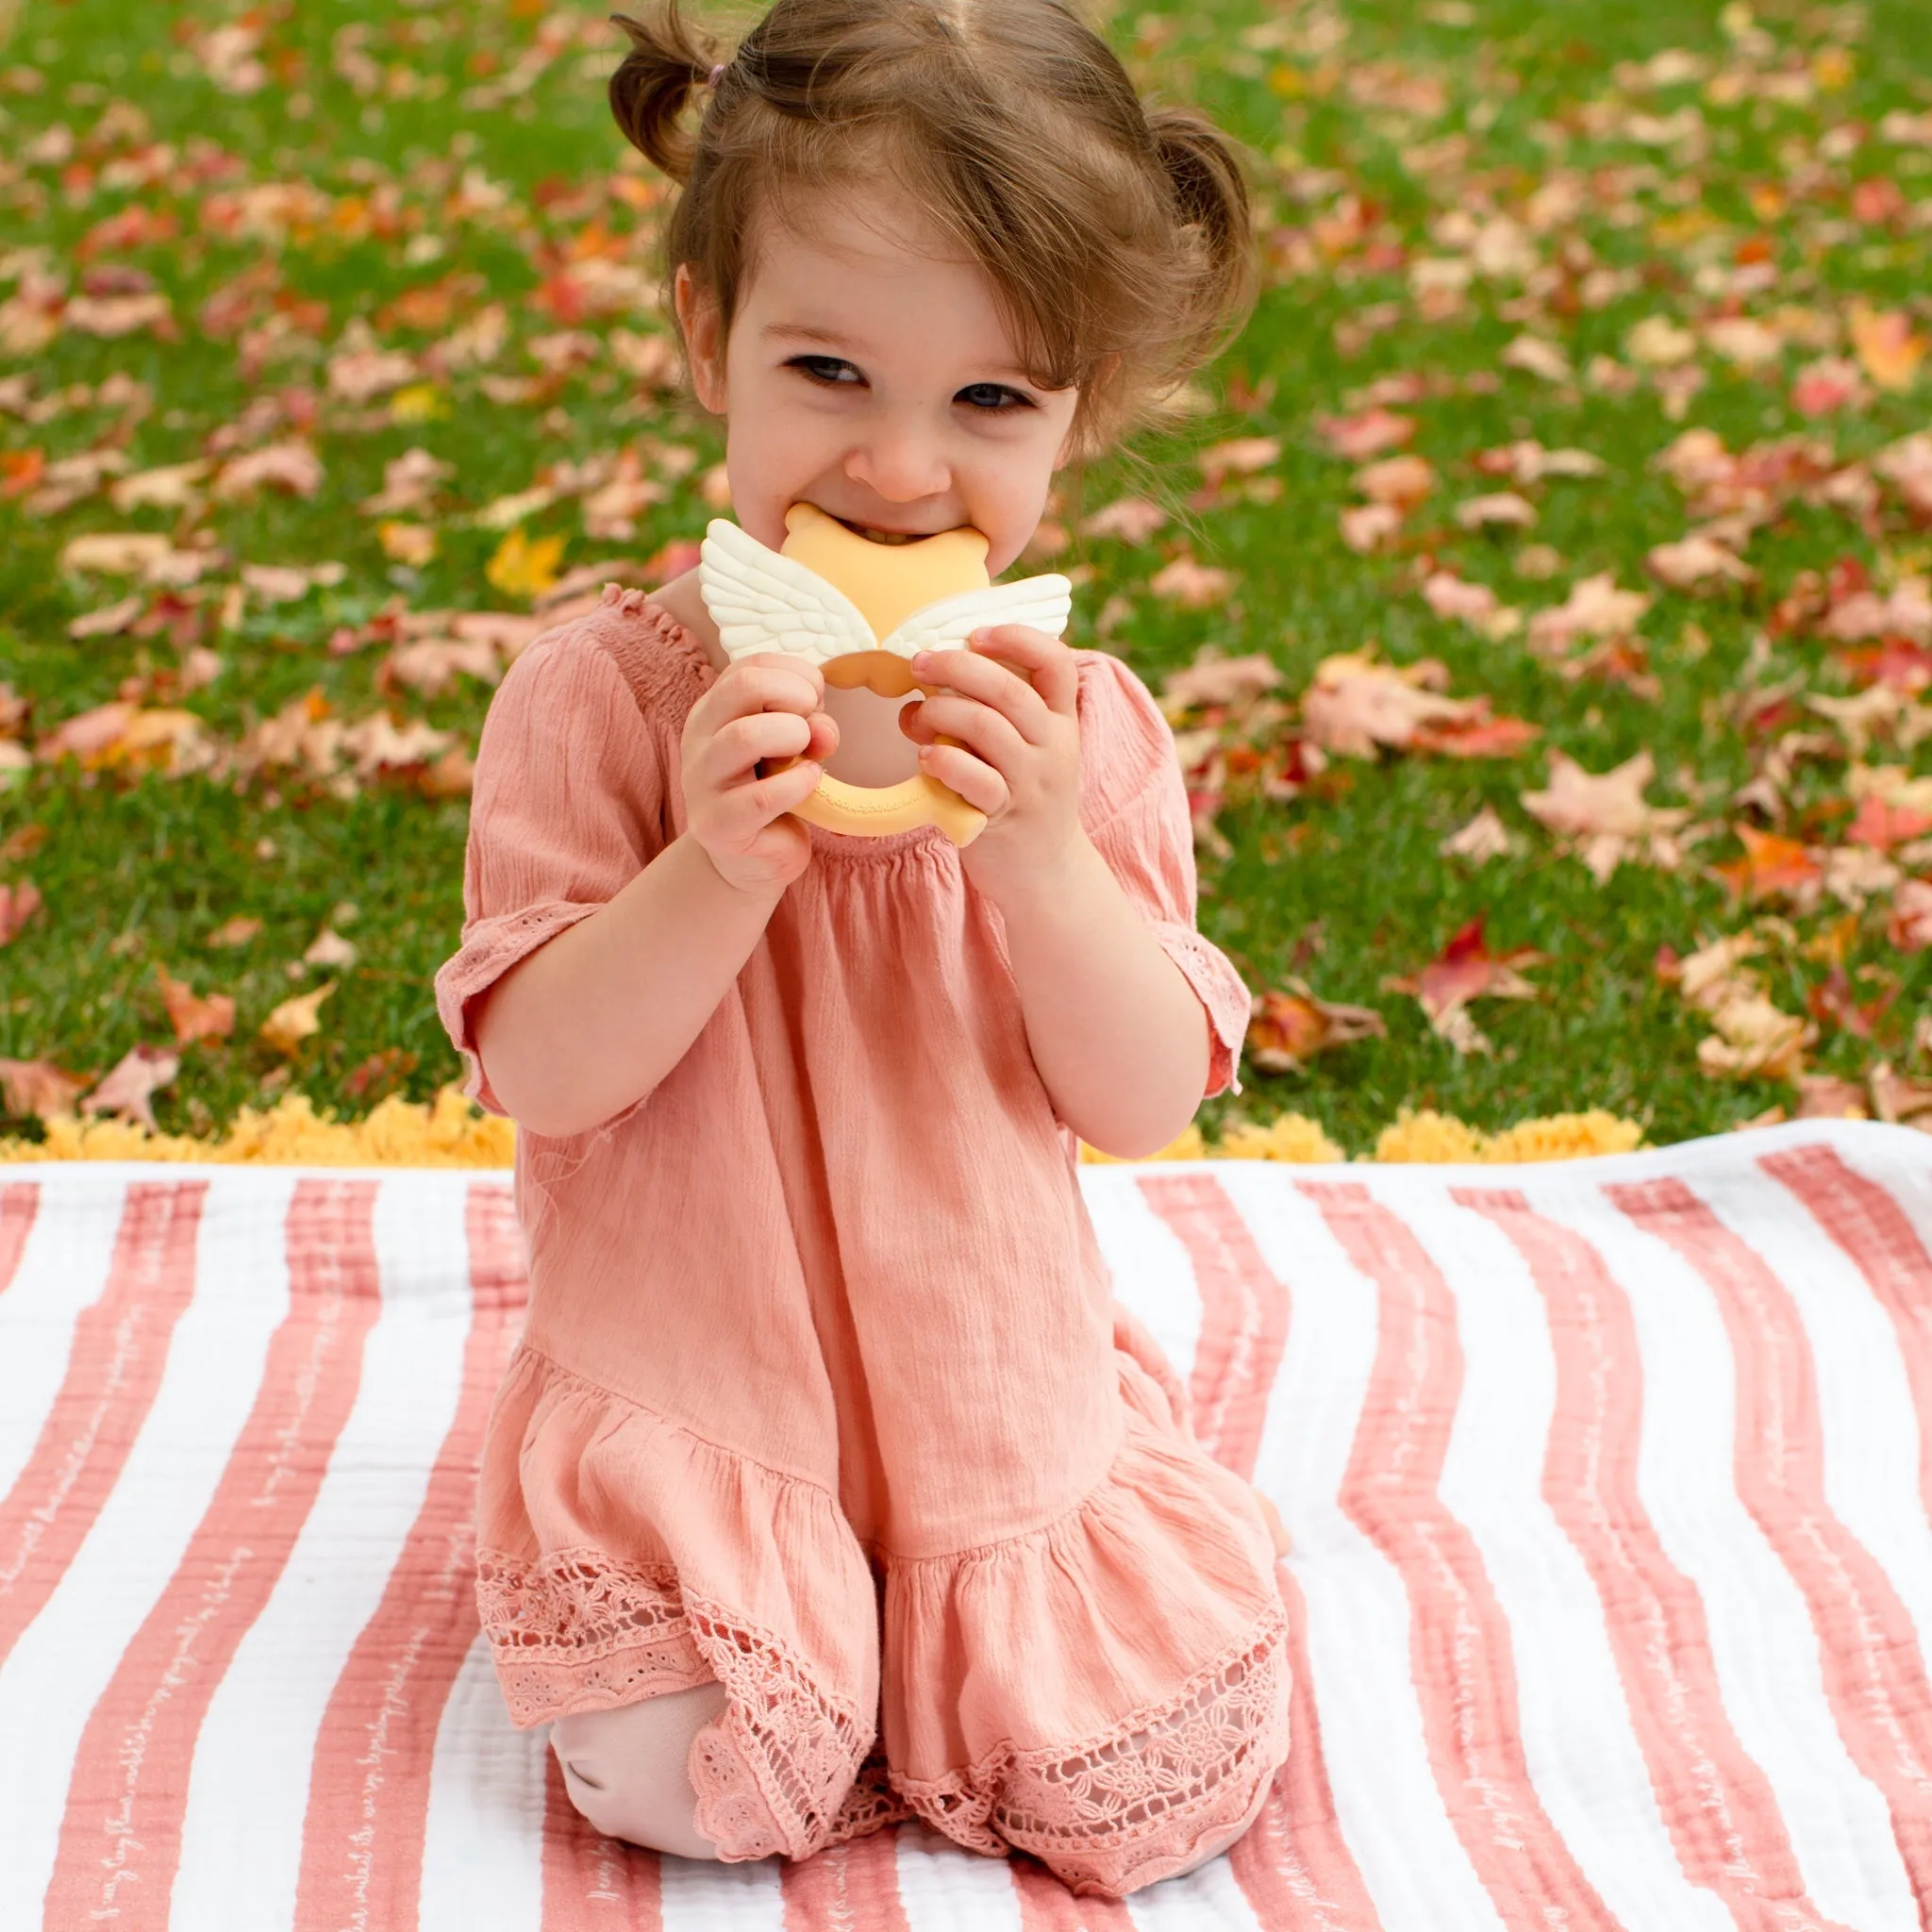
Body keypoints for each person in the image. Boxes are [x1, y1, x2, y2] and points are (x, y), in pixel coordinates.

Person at [432, 0, 1291, 1898]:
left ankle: (962, 1599)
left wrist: (1042, 860)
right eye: (830, 370)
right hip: (704, 1387)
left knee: (1150, 1780)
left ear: (1080, 417)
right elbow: (545, 1073)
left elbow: (1141, 1099)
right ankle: (770, 1597)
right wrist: (714, 868)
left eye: (992, 402)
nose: (901, 472)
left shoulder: (1084, 733)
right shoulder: (602, 702)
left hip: (983, 1405)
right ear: (700, 342)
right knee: (685, 1774)